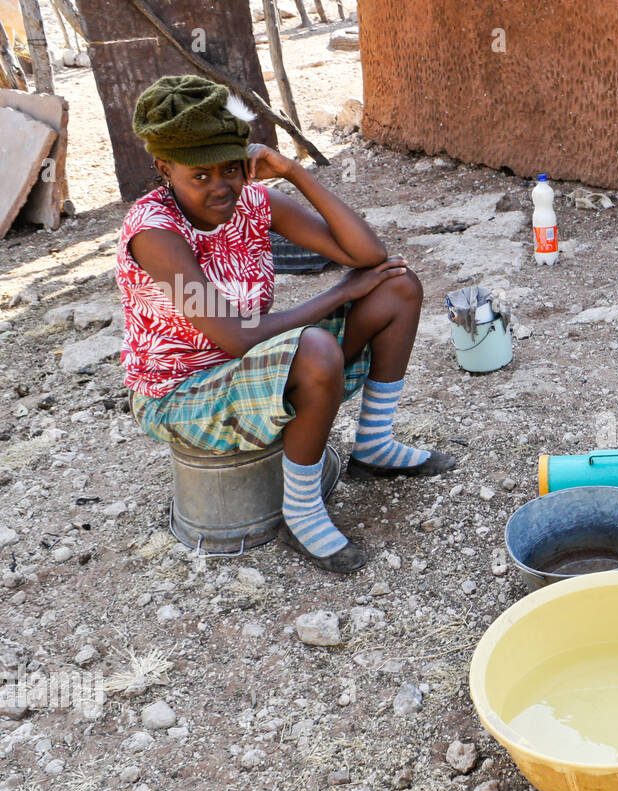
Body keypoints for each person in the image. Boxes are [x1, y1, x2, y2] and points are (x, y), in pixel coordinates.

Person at [117, 75, 454, 573]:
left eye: (231, 169)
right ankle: (300, 512)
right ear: (164, 168)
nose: (220, 187)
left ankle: (374, 447)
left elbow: (368, 254)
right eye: (200, 176)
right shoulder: (155, 235)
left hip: (253, 362)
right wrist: (339, 293)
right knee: (315, 347)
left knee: (396, 287)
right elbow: (234, 336)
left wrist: (294, 171)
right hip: (184, 393)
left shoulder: (253, 202)